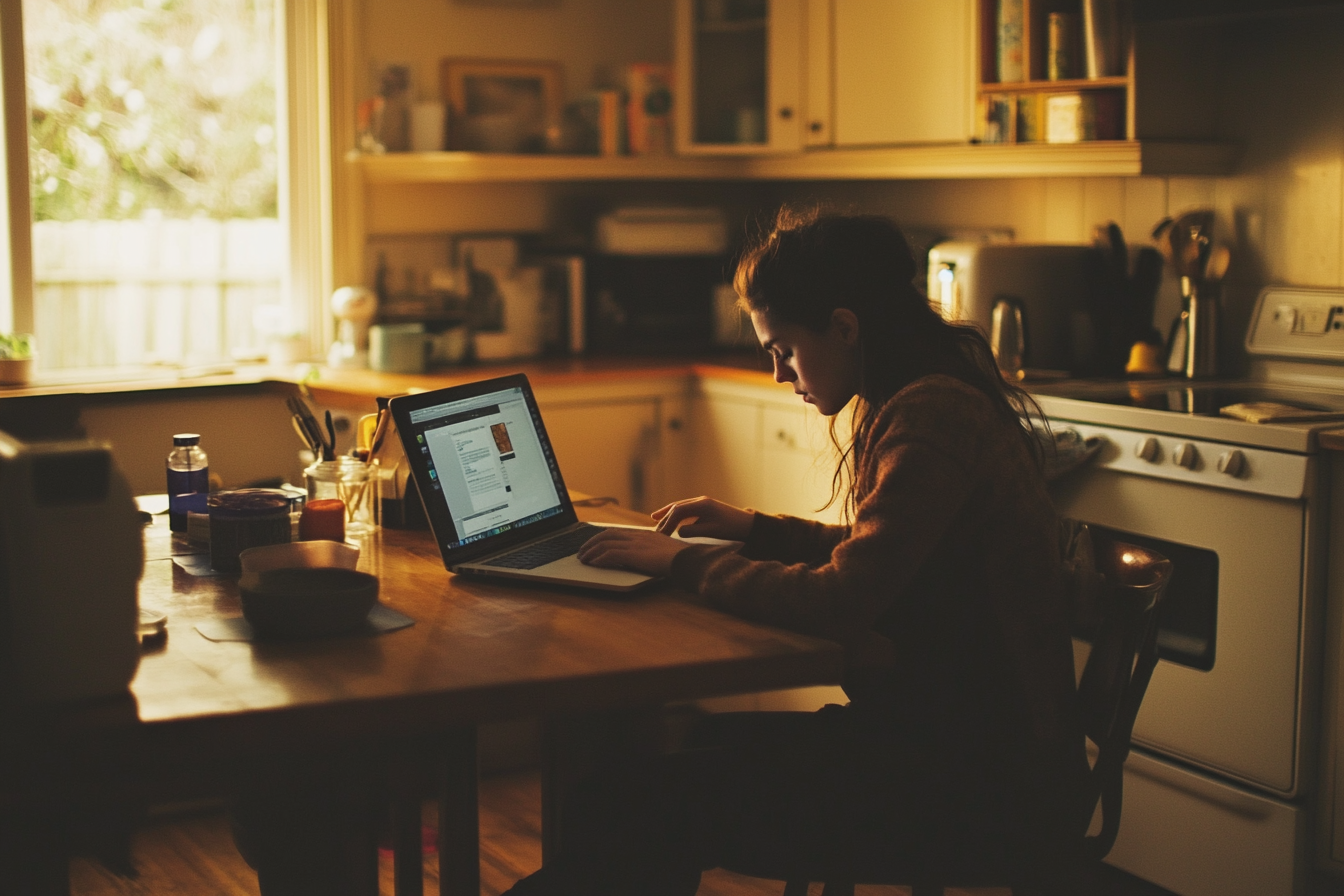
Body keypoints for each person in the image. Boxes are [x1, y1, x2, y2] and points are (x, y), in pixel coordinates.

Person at [504, 209, 1087, 895]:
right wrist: (753, 528)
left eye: (782, 349)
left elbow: (843, 598)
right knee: (643, 781)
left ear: (843, 327)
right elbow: (885, 555)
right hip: (946, 744)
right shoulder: (920, 396)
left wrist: (681, 562)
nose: (779, 374)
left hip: (973, 785)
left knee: (630, 802)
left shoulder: (932, 417)